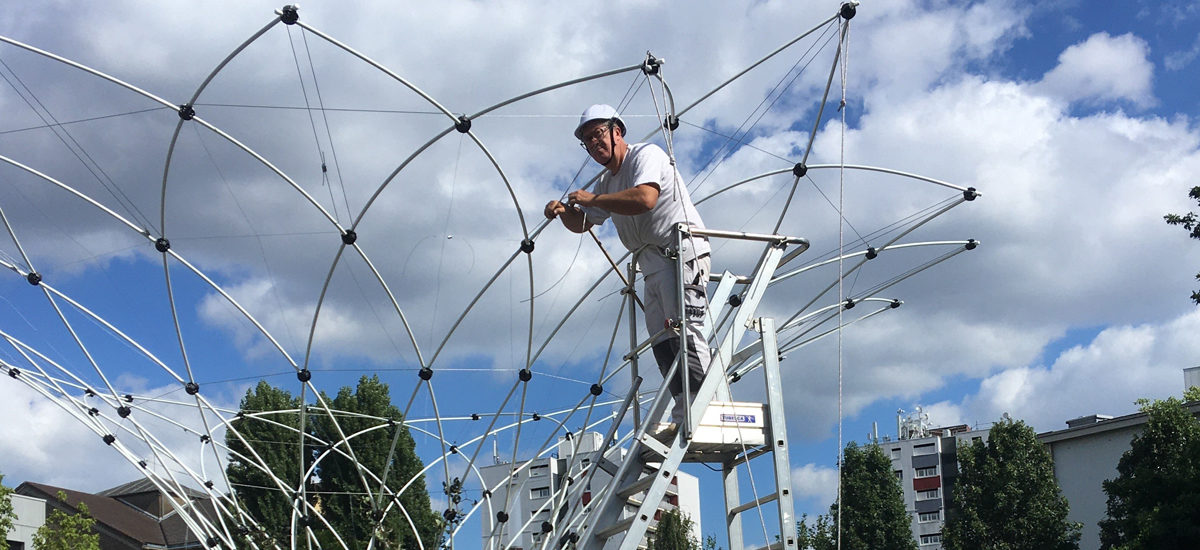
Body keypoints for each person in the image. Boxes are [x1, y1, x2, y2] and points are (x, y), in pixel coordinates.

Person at [544, 104, 711, 428]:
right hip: (650, 262)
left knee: (684, 332)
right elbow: (583, 225)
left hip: (679, 251)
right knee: (663, 341)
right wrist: (565, 212)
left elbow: (645, 198)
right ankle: (685, 410)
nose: (594, 144)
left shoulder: (645, 156)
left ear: (617, 131)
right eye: (588, 141)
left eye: (598, 135)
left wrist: (593, 200)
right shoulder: (607, 182)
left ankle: (702, 410)